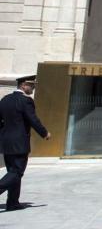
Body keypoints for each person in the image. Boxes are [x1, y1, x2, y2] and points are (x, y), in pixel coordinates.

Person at [0, 75, 49, 212]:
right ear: (23, 86)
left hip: (6, 142)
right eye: (31, 85)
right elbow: (33, 119)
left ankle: (13, 202)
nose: (33, 88)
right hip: (19, 142)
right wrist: (44, 133)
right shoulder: (26, 101)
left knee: (12, 171)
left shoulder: (5, 100)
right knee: (16, 172)